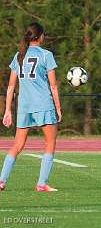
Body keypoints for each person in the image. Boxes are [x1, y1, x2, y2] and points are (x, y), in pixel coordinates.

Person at [0, 22, 61, 192]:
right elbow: (53, 86)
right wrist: (58, 108)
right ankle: (41, 183)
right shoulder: (46, 55)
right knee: (50, 143)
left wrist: (7, 110)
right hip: (43, 104)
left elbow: (11, 86)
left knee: (17, 145)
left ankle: (1, 181)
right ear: (40, 36)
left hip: (24, 106)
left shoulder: (19, 55)